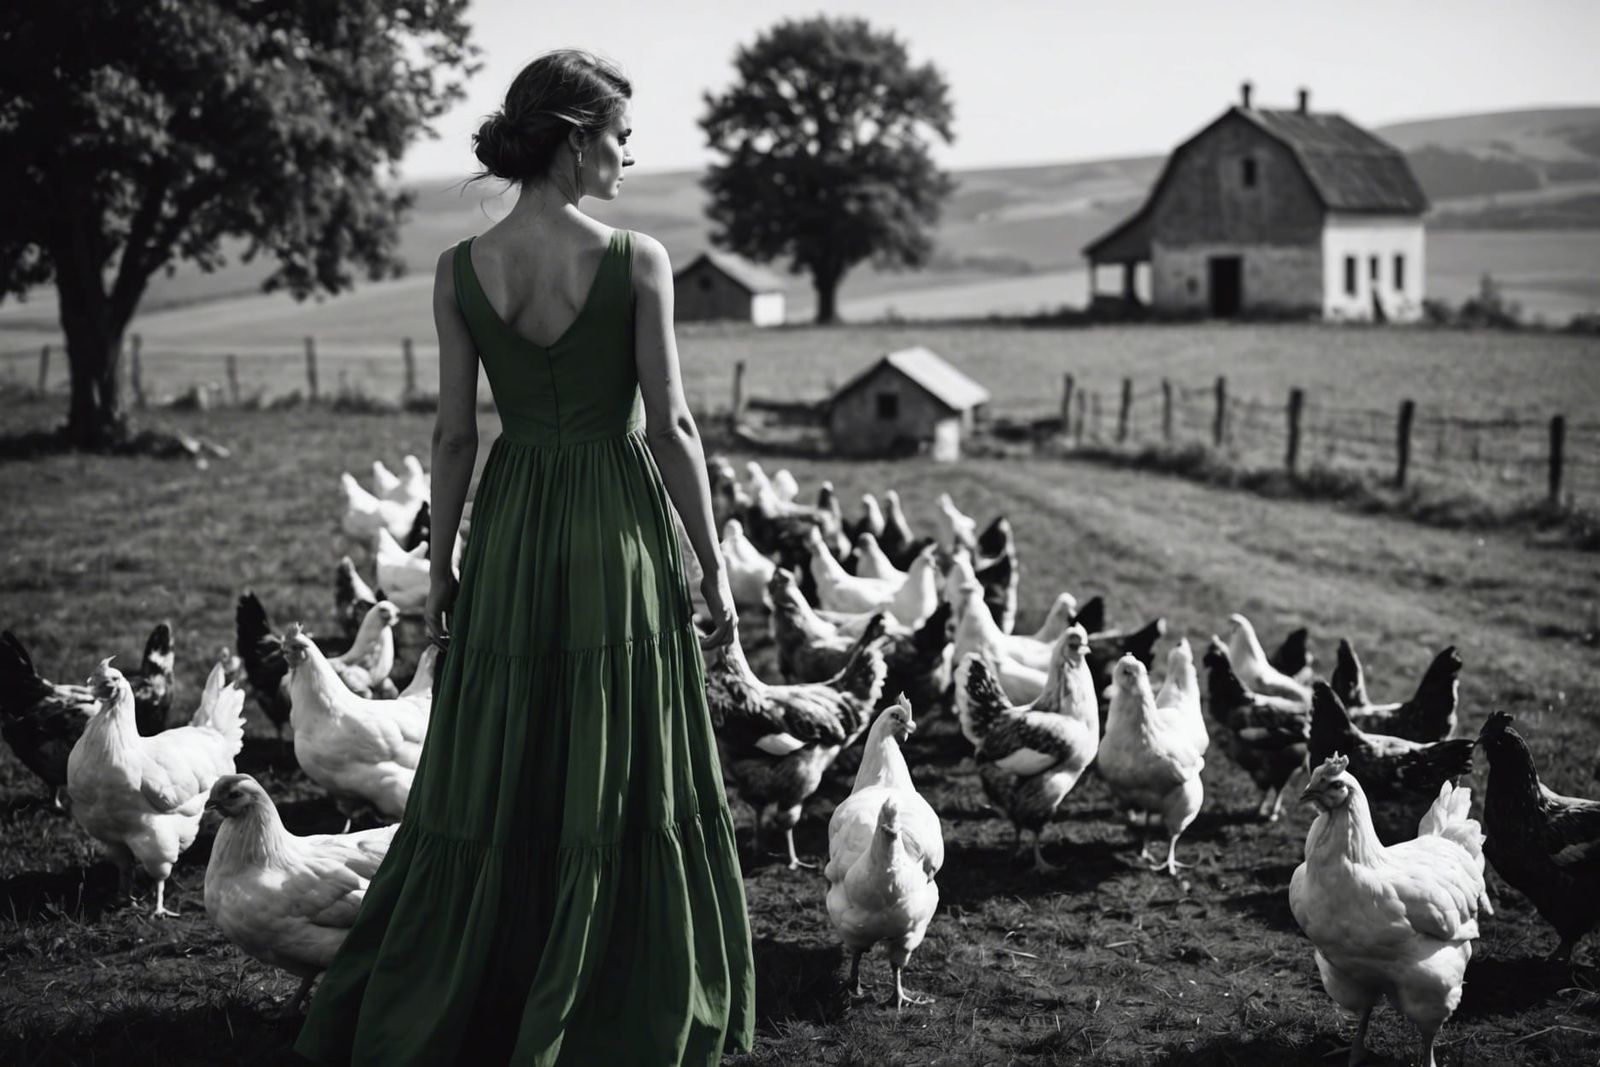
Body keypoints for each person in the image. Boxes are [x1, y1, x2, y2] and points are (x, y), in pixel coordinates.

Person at [292, 48, 755, 1066]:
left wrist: (444, 558)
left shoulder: (462, 270)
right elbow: (671, 422)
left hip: (508, 522)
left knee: (507, 749)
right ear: (576, 138)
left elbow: (453, 436)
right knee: (614, 747)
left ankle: (482, 974)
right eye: (622, 137)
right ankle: (608, 978)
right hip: (615, 522)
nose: (630, 158)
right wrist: (711, 558)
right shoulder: (637, 261)